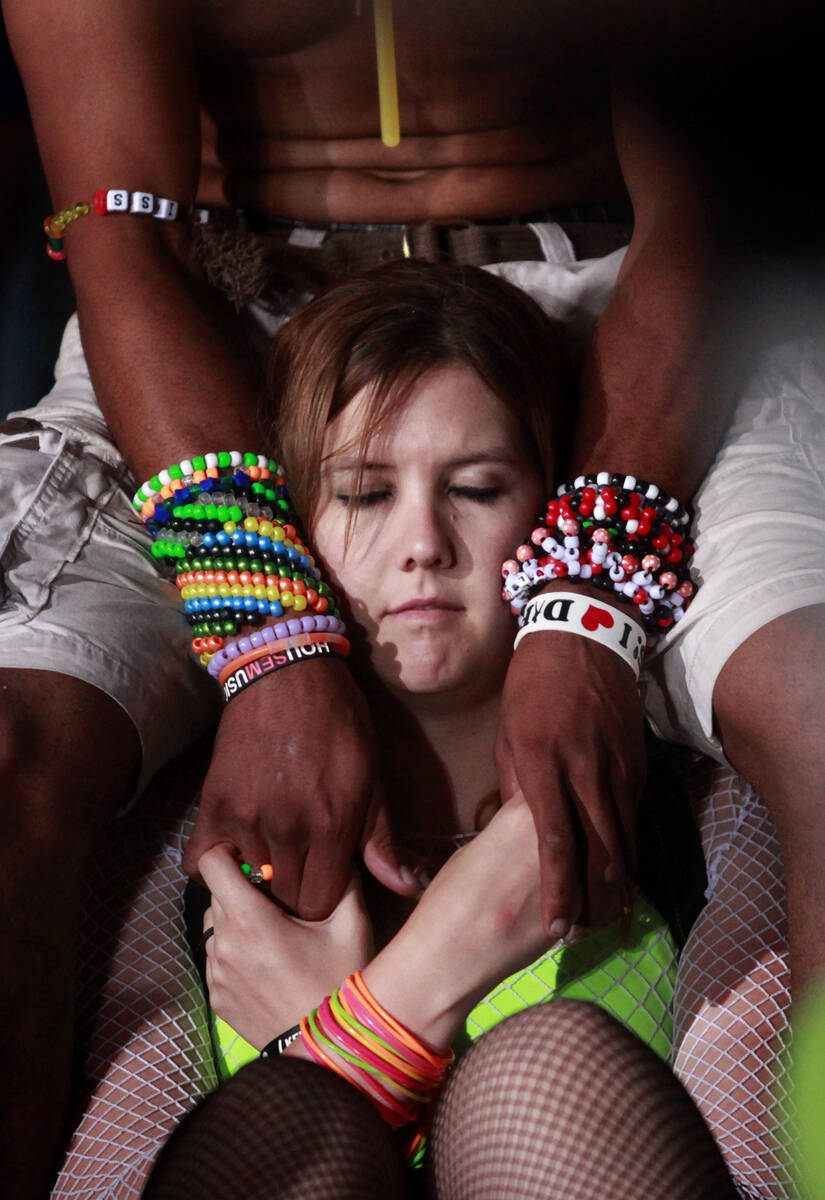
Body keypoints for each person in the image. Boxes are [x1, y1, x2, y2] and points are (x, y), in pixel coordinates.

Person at [0, 4, 822, 1196]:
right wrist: (270, 631)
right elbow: (114, 228)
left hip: (624, 303)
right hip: (217, 330)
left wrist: (587, 595)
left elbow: (709, 204)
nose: (423, 551)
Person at [144, 258, 737, 1199]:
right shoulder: (223, 833)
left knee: (544, 1064)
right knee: (286, 1120)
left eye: (474, 487)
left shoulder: (689, 811)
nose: (422, 541)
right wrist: (413, 998)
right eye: (366, 493)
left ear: (550, 509)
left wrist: (333, 1029)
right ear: (293, 527)